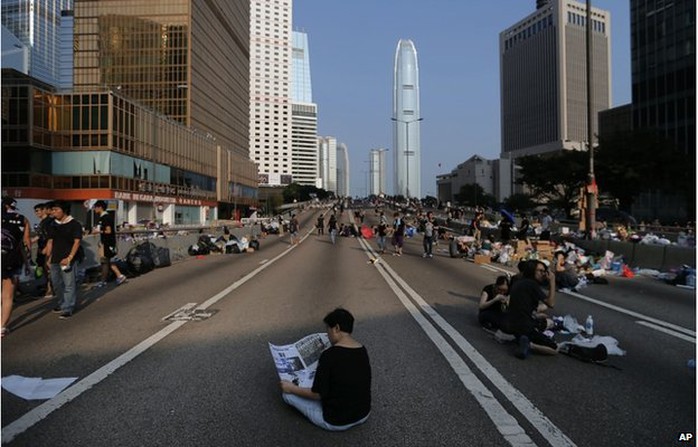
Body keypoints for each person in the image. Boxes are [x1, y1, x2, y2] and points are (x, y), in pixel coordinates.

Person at [280, 308, 371, 431]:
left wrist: (291, 388)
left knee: (287, 395)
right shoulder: (362, 349)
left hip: (336, 421)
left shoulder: (329, 355)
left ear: (336, 328)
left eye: (328, 330)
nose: (327, 335)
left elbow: (317, 394)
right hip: (364, 414)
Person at [503, 260, 557, 359]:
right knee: (554, 349)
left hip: (510, 324)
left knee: (539, 322)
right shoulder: (532, 285)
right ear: (532, 271)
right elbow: (551, 303)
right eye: (540, 271)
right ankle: (530, 345)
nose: (543, 274)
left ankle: (521, 339)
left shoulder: (519, 282)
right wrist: (552, 281)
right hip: (525, 326)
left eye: (544, 271)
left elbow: (524, 306)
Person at [46, 201, 83, 319]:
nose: (54, 212)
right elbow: (50, 241)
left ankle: (68, 307)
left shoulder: (75, 224)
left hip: (68, 258)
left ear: (64, 210)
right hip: (55, 258)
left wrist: (70, 258)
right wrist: (48, 257)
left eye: (56, 209)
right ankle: (62, 302)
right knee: (56, 283)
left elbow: (77, 242)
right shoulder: (52, 224)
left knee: (69, 284)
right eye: (53, 210)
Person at [2, 197, 31, 336]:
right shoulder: (23, 219)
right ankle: (2, 327)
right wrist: (27, 263)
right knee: (7, 296)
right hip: (12, 260)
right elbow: (25, 243)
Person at [92, 200, 127, 287]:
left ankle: (104, 281)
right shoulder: (102, 217)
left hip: (108, 243)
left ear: (100, 207)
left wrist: (98, 231)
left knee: (105, 261)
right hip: (105, 242)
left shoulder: (106, 217)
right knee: (109, 261)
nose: (94, 209)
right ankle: (119, 276)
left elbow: (108, 231)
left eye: (95, 207)